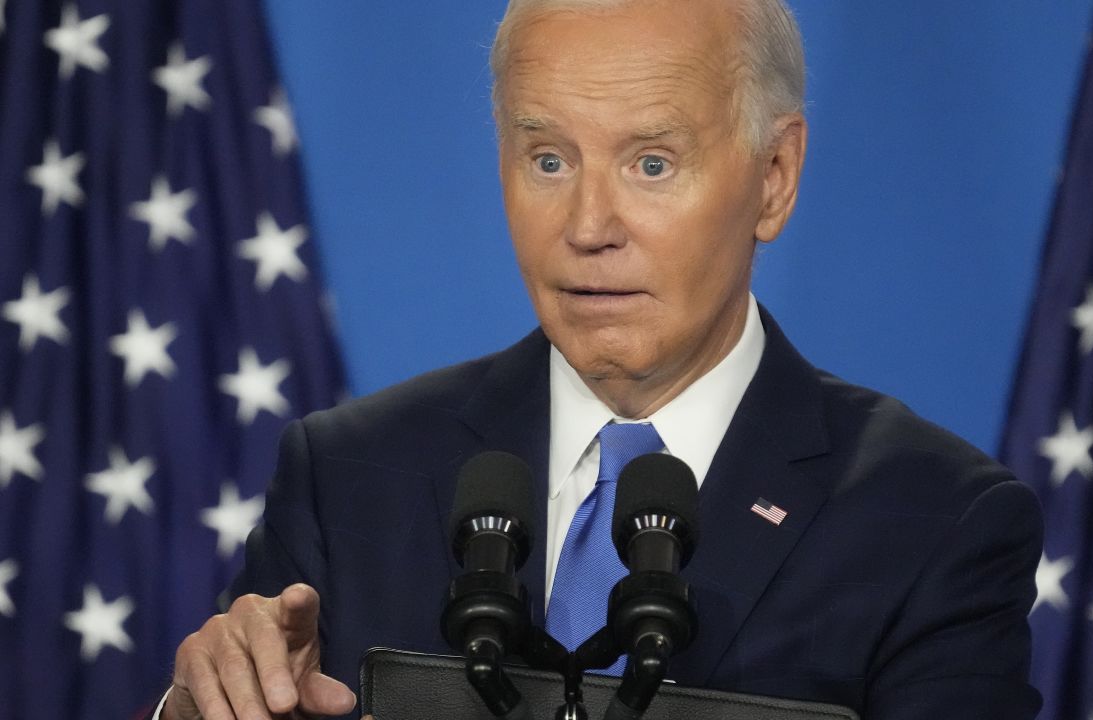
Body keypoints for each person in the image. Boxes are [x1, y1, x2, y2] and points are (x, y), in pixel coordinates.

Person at [160, 1, 1044, 718]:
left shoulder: (933, 523)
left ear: (774, 177)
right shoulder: (347, 476)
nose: (587, 228)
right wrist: (198, 711)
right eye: (548, 159)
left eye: (651, 164)